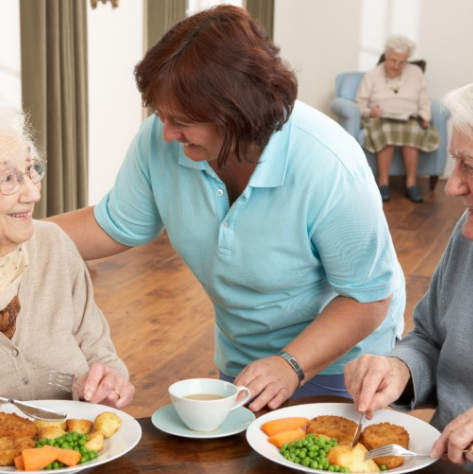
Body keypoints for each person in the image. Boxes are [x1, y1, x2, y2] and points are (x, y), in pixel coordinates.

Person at [50, 5, 405, 412]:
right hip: (246, 359)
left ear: (237, 114)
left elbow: (368, 297)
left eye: (181, 120)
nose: (165, 132)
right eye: (160, 115)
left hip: (343, 365)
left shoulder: (329, 164)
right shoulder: (163, 140)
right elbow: (113, 225)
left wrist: (291, 364)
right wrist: (15, 234)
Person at [345, 83, 473, 468]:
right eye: (456, 161)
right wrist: (400, 367)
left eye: (471, 165)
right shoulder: (468, 234)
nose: (451, 186)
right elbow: (431, 338)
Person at [0, 102, 135, 408]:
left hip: (75, 449)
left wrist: (109, 381)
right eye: (7, 178)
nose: (33, 194)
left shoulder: (53, 244)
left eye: (31, 170)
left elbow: (98, 352)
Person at [356, 34, 441, 203]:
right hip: (380, 118)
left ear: (407, 59)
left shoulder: (415, 72)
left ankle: (411, 184)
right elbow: (360, 103)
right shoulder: (372, 75)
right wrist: (370, 112)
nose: (396, 66)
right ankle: (383, 183)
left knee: (413, 131)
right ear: (386, 56)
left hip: (408, 117)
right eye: (393, 60)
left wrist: (425, 117)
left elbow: (424, 99)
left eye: (402, 62)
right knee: (386, 131)